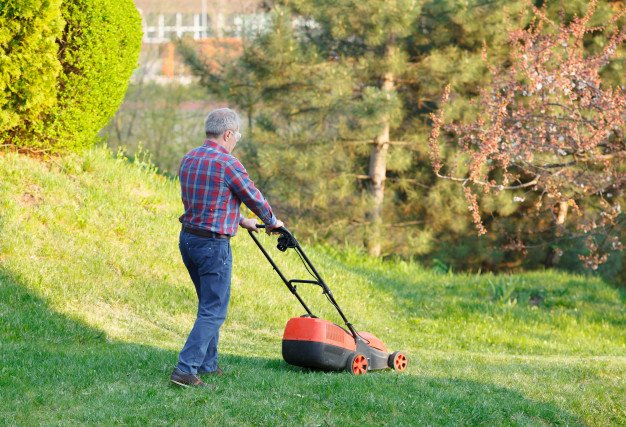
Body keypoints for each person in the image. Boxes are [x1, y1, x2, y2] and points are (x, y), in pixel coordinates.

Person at [170, 108, 283, 388]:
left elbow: (206, 201)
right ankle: (185, 369)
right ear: (228, 133)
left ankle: (207, 365)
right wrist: (272, 221)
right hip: (212, 245)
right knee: (214, 310)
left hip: (188, 240)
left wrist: (241, 220)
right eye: (237, 137)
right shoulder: (227, 163)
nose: (236, 142)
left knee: (207, 304)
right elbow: (253, 196)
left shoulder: (189, 158)